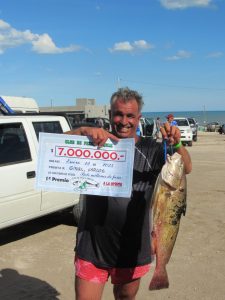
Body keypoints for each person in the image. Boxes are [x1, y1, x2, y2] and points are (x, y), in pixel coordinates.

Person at [66, 87, 192, 300]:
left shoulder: (151, 149)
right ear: (109, 115)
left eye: (130, 116)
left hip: (133, 248)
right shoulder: (95, 143)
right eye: (119, 114)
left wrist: (177, 144)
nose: (124, 121)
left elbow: (185, 167)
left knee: (125, 297)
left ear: (138, 118)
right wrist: (82, 132)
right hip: (92, 245)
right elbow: (52, 147)